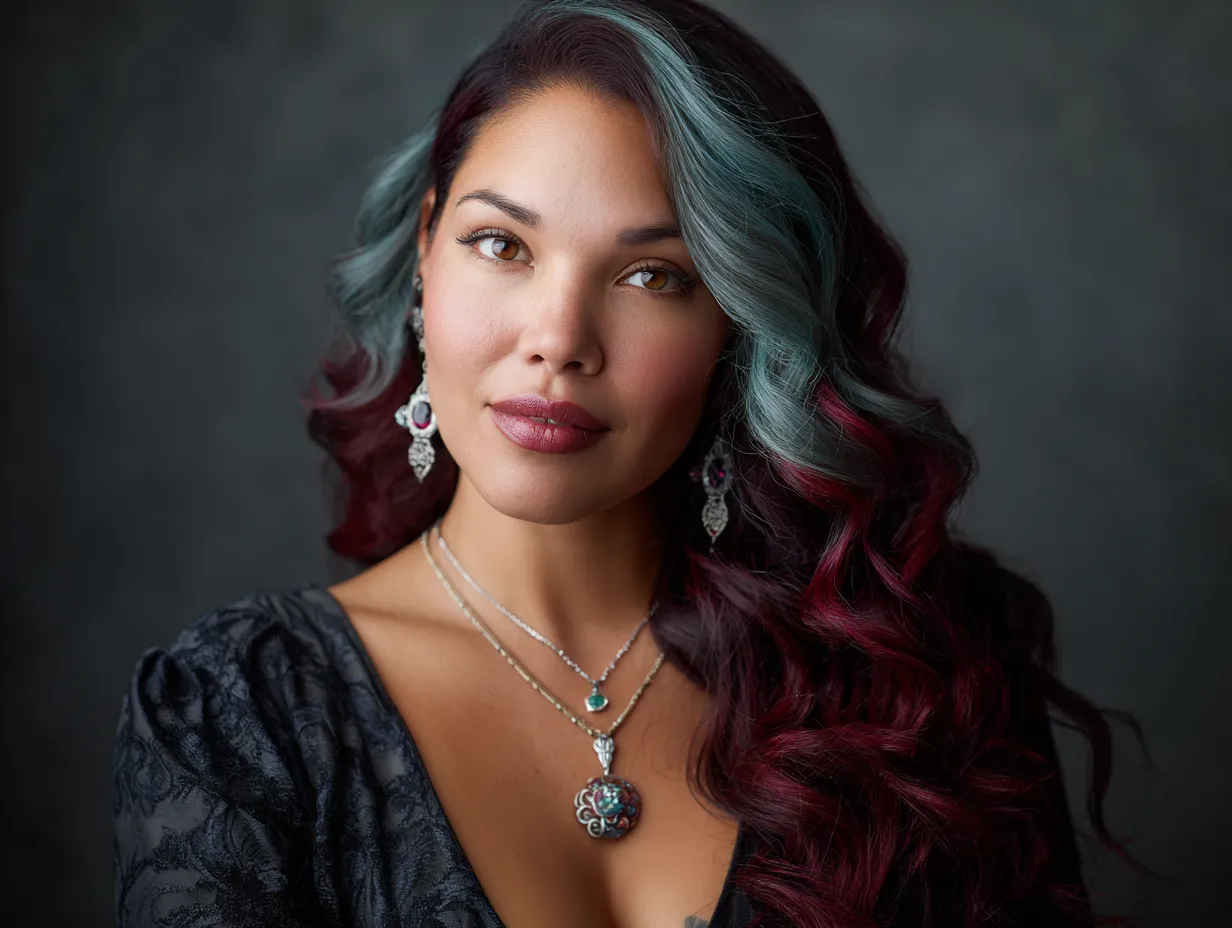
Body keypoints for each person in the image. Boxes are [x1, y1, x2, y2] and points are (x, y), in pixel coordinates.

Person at [111, 1, 1141, 925]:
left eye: (654, 273)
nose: (558, 339)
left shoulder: (918, 682)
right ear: (424, 258)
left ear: (738, 329)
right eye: (500, 245)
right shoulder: (240, 717)